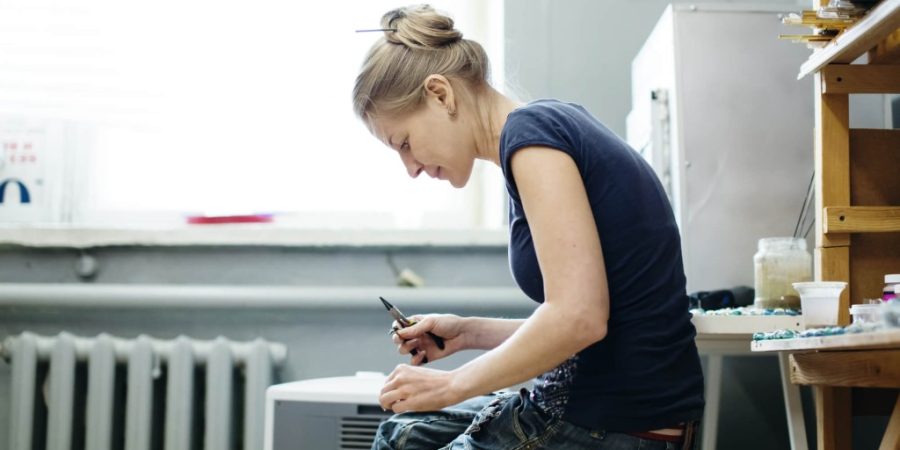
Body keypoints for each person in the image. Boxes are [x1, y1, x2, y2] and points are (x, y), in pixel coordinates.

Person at [352, 5, 705, 450]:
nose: (411, 169)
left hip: (618, 422)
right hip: (596, 403)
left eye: (404, 143)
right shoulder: (542, 130)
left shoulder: (532, 138)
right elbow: (600, 322)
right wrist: (469, 333)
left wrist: (452, 385)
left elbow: (579, 320)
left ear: (440, 94)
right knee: (400, 435)